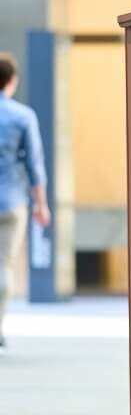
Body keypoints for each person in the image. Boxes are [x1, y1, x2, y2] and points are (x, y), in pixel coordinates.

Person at [0, 53, 50, 348]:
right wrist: (41, 205)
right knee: (4, 264)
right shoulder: (23, 116)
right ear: (12, 81)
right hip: (12, 202)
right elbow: (35, 163)